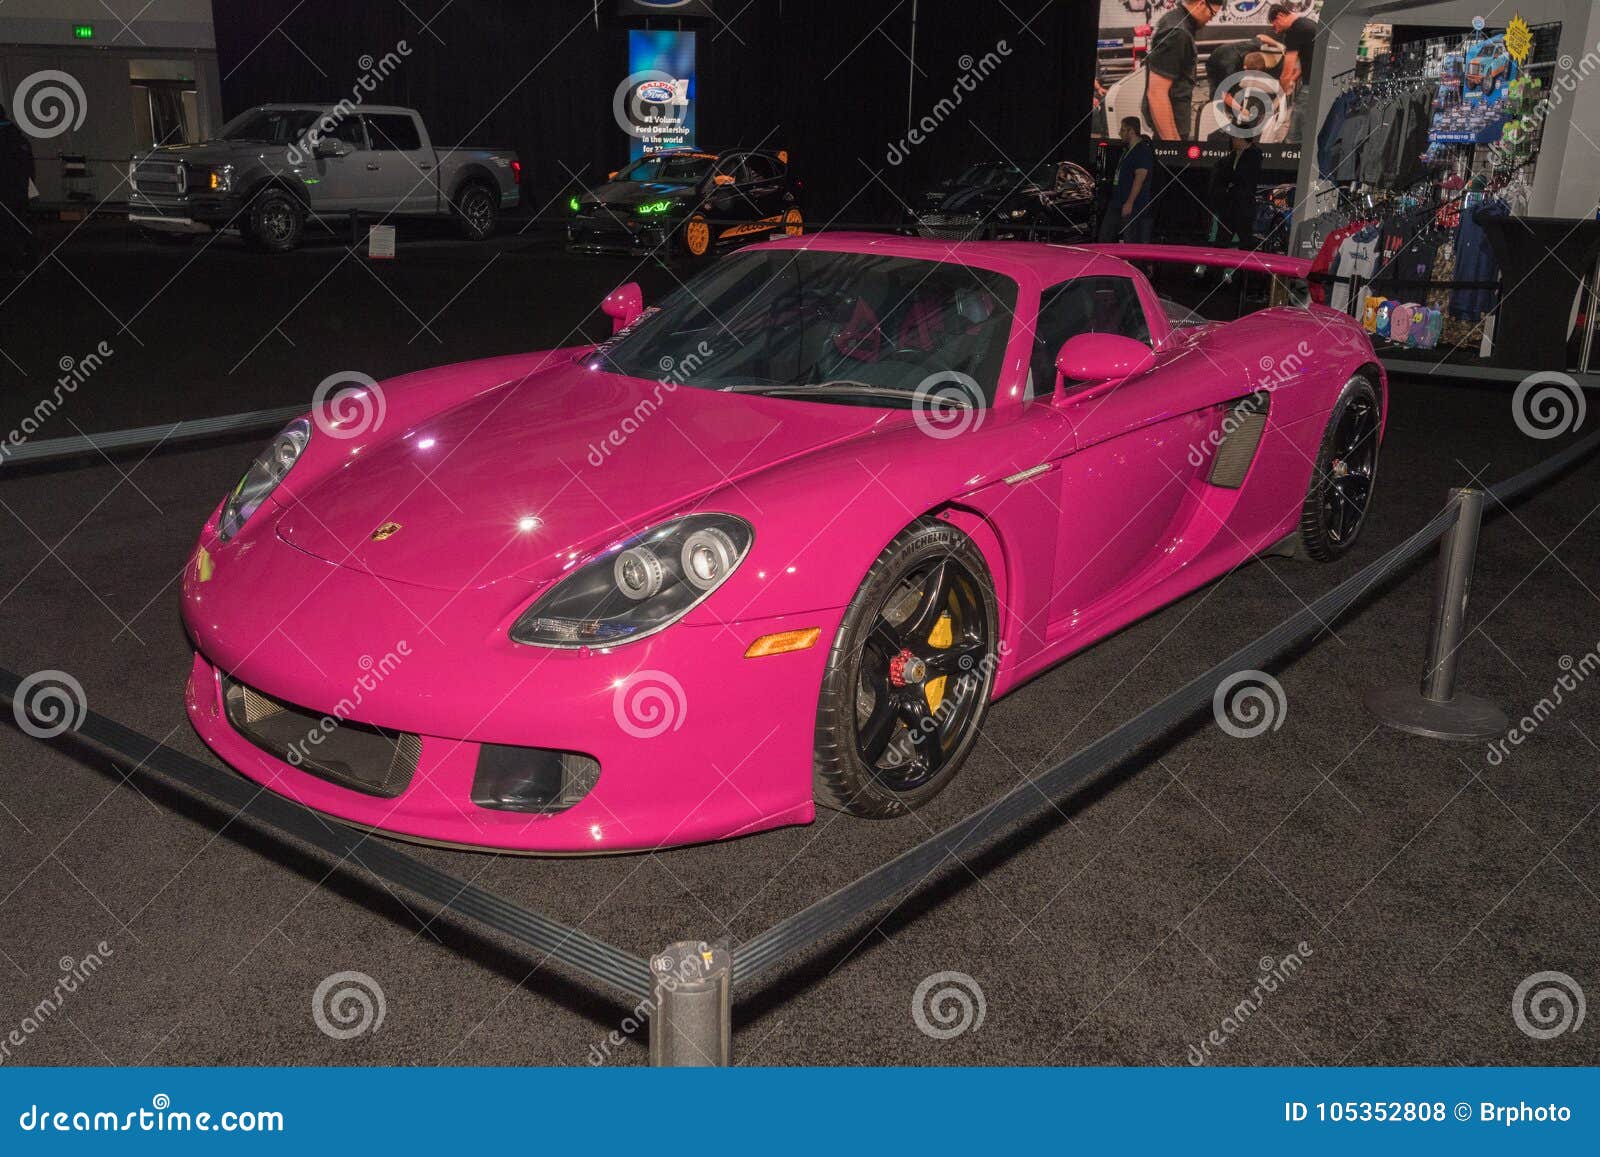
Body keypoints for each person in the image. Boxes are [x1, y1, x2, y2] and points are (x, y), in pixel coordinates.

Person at [1144, 0, 1221, 141]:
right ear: (1202, 4)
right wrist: (1174, 145)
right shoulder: (1178, 33)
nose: (1211, 19)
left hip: (1170, 120)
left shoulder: (1172, 18)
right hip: (1172, 124)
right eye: (1212, 13)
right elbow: (1156, 94)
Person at [1269, 2, 1321, 143]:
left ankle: (1287, 158)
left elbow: (1287, 70)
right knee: (1306, 126)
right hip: (1319, 83)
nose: (1276, 31)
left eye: (1275, 25)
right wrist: (1292, 79)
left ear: (1280, 16)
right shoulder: (1307, 23)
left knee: (1294, 135)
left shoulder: (1295, 31)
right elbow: (1303, 66)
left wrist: (1283, 88)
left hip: (1312, 86)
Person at [1100, 116, 1154, 244]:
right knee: (1104, 237)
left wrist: (1129, 202)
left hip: (1132, 205)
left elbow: (1140, 178)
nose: (1120, 133)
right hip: (1117, 201)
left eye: (1123, 130)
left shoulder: (1142, 150)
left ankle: (1131, 263)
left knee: (1129, 239)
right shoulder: (1127, 150)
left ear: (1131, 131)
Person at [0, 103, 34, 276]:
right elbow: (29, 167)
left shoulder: (9, 138)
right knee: (17, 226)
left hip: (6, 192)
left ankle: (14, 263)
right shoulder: (18, 138)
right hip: (17, 191)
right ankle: (20, 263)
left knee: (7, 229)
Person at [1216, 133, 1262, 249]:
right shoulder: (1232, 155)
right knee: (1222, 239)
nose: (1232, 140)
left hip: (1243, 205)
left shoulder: (1254, 154)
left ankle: (1246, 266)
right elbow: (1224, 174)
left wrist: (1231, 180)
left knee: (1245, 240)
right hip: (1229, 205)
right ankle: (1215, 266)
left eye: (1235, 137)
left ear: (1242, 138)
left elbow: (1242, 176)